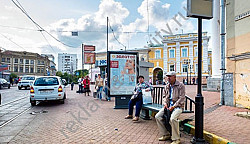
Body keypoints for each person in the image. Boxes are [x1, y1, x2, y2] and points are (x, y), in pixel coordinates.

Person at [155, 71, 185, 144]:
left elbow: (181, 98)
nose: (168, 78)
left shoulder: (180, 85)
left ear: (174, 77)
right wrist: (165, 103)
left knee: (173, 119)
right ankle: (166, 134)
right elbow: (164, 97)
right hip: (168, 106)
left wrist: (173, 106)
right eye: (167, 76)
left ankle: (176, 139)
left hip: (178, 106)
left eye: (170, 76)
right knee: (157, 116)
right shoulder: (167, 86)